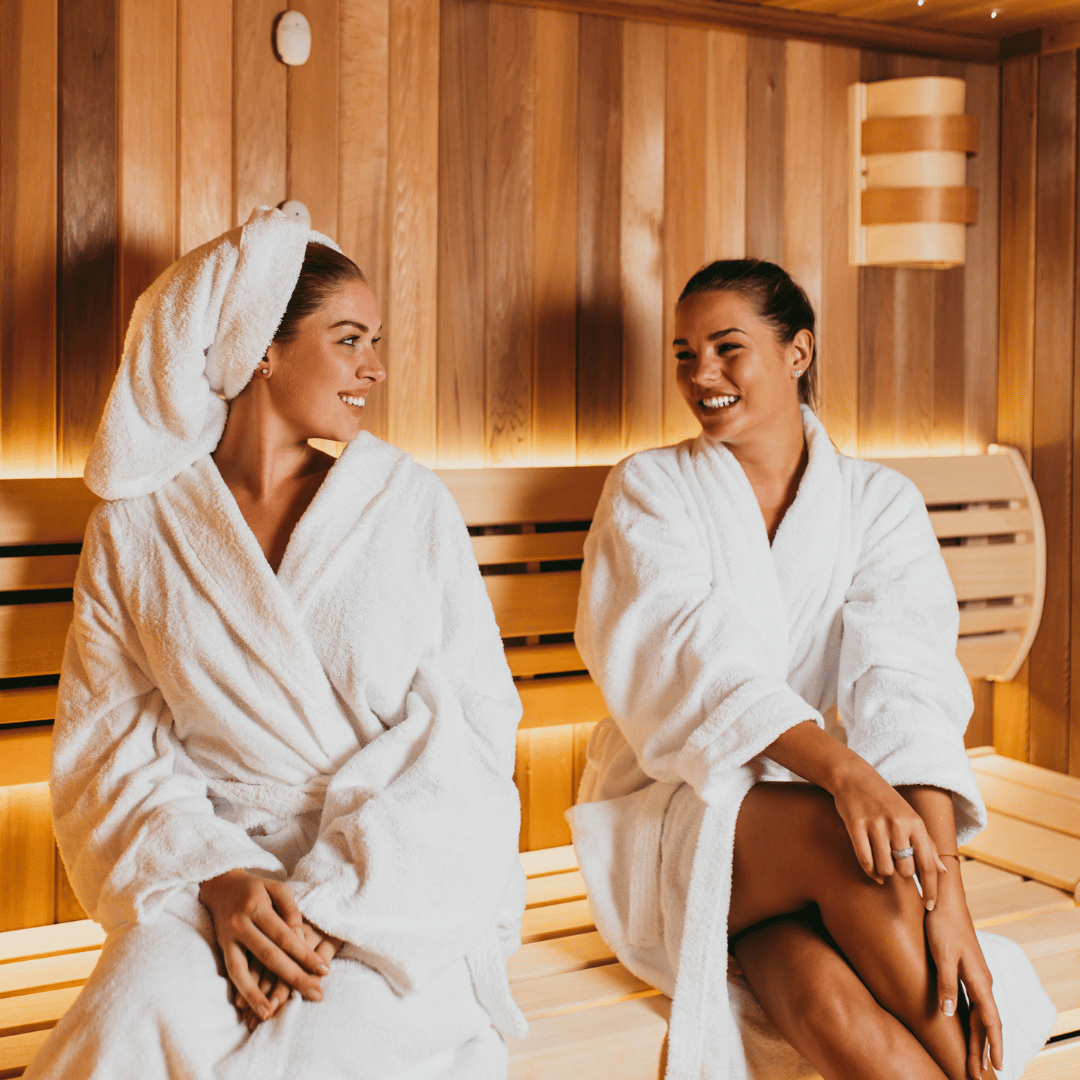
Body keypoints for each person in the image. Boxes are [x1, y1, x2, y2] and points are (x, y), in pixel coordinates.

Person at [26, 207, 526, 1080]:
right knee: (124, 1020)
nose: (373, 366)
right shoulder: (141, 529)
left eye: (375, 341)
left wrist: (332, 897)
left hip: (394, 879)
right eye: (348, 338)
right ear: (263, 346)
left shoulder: (409, 507)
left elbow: (470, 730)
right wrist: (217, 876)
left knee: (321, 1052)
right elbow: (109, 740)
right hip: (214, 874)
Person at [567, 259, 1055, 1080]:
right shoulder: (650, 489)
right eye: (685, 353)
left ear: (798, 352)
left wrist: (951, 899)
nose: (702, 375)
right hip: (683, 814)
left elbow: (905, 693)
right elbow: (687, 657)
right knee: (853, 845)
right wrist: (845, 777)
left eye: (728, 348)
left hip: (829, 830)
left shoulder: (878, 503)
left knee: (827, 1009)